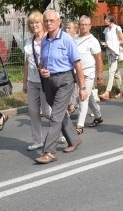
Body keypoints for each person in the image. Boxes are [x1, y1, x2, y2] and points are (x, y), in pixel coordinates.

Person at [35, 9, 87, 164]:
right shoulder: (44, 41)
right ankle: (74, 138)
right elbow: (42, 62)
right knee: (59, 113)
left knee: (55, 116)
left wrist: (83, 88)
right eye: (46, 21)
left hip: (65, 80)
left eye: (52, 20)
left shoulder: (67, 39)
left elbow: (77, 64)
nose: (49, 23)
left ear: (59, 22)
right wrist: (42, 70)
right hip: (49, 81)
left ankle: (49, 151)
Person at [22, 11, 51, 151]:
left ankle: (63, 128)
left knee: (47, 112)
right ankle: (37, 140)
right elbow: (27, 63)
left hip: (46, 80)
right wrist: (24, 82)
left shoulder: (49, 39)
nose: (34, 25)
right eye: (31, 23)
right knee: (33, 111)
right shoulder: (28, 42)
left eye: (37, 22)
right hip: (32, 81)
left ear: (43, 24)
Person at [74, 16, 104, 133]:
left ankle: (80, 126)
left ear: (90, 26)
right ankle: (98, 115)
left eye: (86, 24)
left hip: (88, 72)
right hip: (76, 73)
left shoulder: (93, 41)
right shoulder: (75, 39)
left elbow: (99, 59)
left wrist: (99, 76)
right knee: (89, 94)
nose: (84, 27)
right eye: (82, 24)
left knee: (83, 97)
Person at [99, 14, 123, 100]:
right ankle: (122, 91)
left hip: (115, 53)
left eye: (106, 19)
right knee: (116, 73)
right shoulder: (106, 30)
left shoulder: (117, 28)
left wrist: (111, 44)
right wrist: (106, 44)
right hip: (109, 53)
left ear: (111, 19)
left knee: (111, 72)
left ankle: (107, 92)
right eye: (105, 19)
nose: (105, 21)